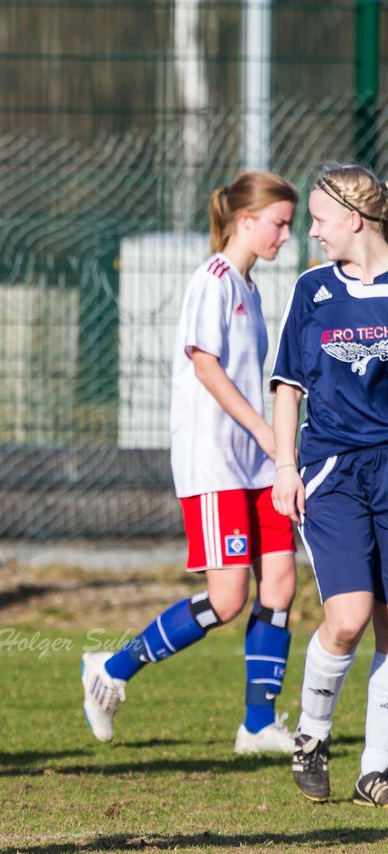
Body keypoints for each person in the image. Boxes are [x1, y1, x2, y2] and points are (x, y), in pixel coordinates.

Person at [80, 171, 300, 755]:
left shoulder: (250, 287)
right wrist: (262, 429)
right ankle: (111, 668)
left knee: (279, 581)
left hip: (257, 465)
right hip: (216, 465)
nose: (286, 235)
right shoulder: (214, 278)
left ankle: (257, 724)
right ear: (246, 220)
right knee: (227, 599)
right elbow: (205, 365)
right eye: (279, 222)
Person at [272, 163, 388, 807]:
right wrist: (286, 466)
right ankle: (312, 737)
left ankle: (377, 767)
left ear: (354, 218)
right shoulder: (313, 290)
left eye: (319, 219)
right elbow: (288, 384)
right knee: (348, 618)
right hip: (334, 469)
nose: (312, 232)